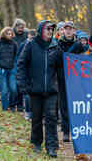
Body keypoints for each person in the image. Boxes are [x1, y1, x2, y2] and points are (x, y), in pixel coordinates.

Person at [17, 20, 61, 158]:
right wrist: (23, 84)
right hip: (34, 89)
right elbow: (21, 64)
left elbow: (61, 68)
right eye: (47, 29)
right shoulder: (31, 45)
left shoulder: (56, 46)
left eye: (51, 29)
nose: (50, 31)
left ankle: (52, 147)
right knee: (36, 118)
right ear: (41, 30)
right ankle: (36, 143)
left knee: (51, 118)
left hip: (51, 90)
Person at [57, 21, 77, 142]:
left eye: (71, 28)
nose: (68, 31)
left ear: (74, 30)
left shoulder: (80, 43)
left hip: (77, 79)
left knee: (77, 105)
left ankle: (78, 129)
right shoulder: (58, 43)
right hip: (62, 78)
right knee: (64, 105)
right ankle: (66, 131)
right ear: (63, 30)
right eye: (66, 28)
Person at [0, 27, 18, 111]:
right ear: (4, 34)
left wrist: (15, 65)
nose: (10, 35)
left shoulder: (14, 44)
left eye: (11, 34)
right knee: (4, 90)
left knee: (13, 89)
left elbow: (16, 56)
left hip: (12, 69)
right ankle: (5, 108)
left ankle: (12, 106)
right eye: (8, 33)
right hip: (2, 70)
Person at [12, 18, 28, 112]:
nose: (21, 29)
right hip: (14, 61)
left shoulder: (26, 34)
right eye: (19, 27)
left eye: (22, 27)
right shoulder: (12, 35)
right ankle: (16, 103)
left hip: (24, 61)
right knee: (15, 85)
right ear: (15, 27)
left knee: (22, 83)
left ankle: (22, 104)